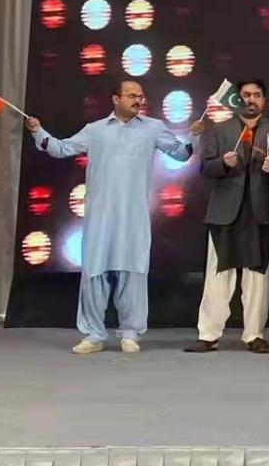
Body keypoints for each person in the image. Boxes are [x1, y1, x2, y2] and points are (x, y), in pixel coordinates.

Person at [25, 80, 203, 353]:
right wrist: (38, 131)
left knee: (133, 271)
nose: (137, 100)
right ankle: (93, 335)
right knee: (94, 272)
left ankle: (130, 332)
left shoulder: (153, 128)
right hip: (99, 215)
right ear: (116, 99)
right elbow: (61, 148)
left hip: (134, 215)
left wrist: (193, 136)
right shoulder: (95, 130)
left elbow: (180, 153)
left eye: (140, 96)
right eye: (131, 95)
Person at [185, 79, 269, 354]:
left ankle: (254, 334)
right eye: (246, 95)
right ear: (238, 98)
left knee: (257, 278)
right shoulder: (221, 129)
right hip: (225, 212)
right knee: (218, 276)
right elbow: (206, 168)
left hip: (260, 212)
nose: (251, 99)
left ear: (264, 100)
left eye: (256, 95)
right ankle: (208, 334)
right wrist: (223, 163)